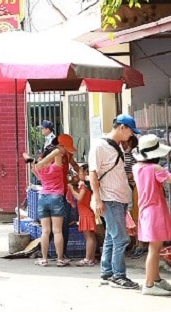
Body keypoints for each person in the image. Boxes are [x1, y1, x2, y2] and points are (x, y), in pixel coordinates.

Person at [89, 113, 141, 289]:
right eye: (131, 131)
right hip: (109, 198)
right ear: (122, 127)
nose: (131, 135)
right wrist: (97, 199)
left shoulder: (116, 146)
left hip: (119, 198)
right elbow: (93, 173)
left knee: (112, 237)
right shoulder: (99, 146)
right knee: (121, 239)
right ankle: (119, 275)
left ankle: (107, 272)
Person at [131, 134, 171, 296]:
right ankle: (149, 284)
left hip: (145, 210)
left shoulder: (137, 167)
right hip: (156, 211)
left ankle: (156, 279)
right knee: (155, 249)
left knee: (154, 247)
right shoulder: (156, 169)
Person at [32, 136, 76, 267]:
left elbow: (34, 168)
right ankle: (60, 259)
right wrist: (53, 153)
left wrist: (41, 163)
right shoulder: (57, 166)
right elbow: (57, 152)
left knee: (45, 231)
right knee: (57, 231)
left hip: (42, 198)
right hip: (56, 197)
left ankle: (44, 259)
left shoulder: (41, 169)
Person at [68, 164, 98, 266]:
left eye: (80, 172)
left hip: (85, 214)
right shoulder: (87, 185)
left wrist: (72, 189)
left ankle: (87, 258)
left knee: (88, 237)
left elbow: (80, 198)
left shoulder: (83, 185)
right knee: (91, 237)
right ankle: (91, 258)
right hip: (87, 212)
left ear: (85, 173)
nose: (78, 174)